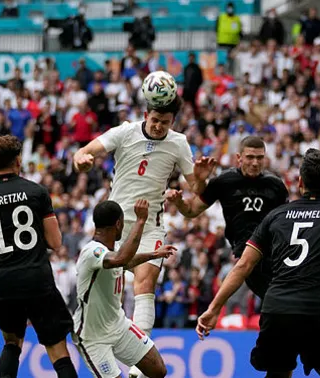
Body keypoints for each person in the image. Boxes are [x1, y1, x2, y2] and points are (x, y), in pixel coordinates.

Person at [196, 149, 320, 378]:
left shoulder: (275, 216)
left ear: (300, 181)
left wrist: (214, 309)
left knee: (279, 374)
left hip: (276, 308)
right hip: (314, 308)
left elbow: (243, 266)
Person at [73, 94, 216, 378]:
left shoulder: (178, 143)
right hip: (115, 227)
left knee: (145, 281)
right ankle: (94, 336)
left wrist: (200, 178)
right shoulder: (124, 132)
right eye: (155, 120)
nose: (160, 126)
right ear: (146, 114)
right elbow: (82, 153)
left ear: (173, 121)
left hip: (149, 223)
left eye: (165, 122)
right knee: (103, 289)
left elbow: (197, 191)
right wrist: (83, 161)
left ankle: (138, 369)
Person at [0, 136, 77, 378]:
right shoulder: (36, 192)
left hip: (2, 282)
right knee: (57, 349)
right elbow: (56, 242)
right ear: (18, 160)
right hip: (36, 278)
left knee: (11, 343)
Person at [165, 135, 288, 297]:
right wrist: (179, 201)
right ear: (239, 158)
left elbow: (287, 223)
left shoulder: (276, 185)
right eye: (250, 157)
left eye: (260, 158)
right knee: (276, 300)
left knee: (277, 301)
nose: (255, 163)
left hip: (273, 253)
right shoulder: (224, 181)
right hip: (245, 253)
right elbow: (191, 210)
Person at [73, 199, 176, 378]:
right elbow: (120, 259)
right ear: (118, 224)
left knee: (158, 370)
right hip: (93, 337)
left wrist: (153, 254)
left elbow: (126, 260)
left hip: (119, 326)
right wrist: (140, 221)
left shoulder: (114, 249)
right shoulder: (92, 252)